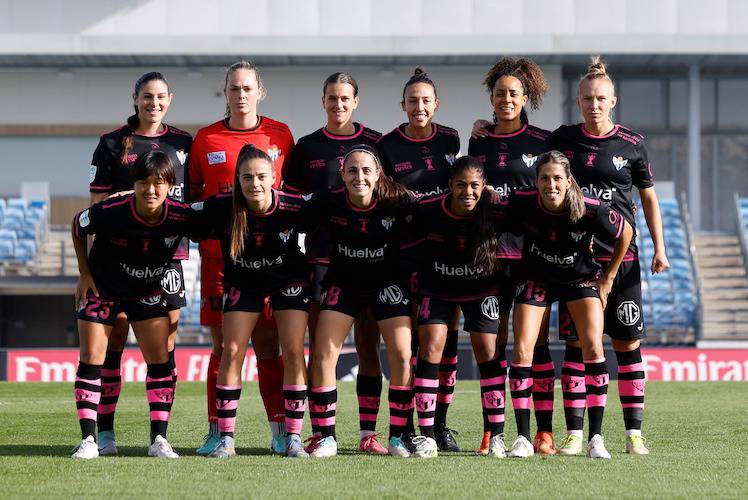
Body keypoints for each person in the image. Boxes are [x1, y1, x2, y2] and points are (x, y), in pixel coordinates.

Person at [547, 57, 669, 456]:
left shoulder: (631, 144)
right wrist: (484, 127)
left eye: (601, 98)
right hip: (578, 261)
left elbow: (648, 197)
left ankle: (633, 434)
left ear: (612, 100)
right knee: (578, 346)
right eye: (587, 98)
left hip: (624, 259)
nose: (594, 104)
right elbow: (529, 158)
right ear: (577, 100)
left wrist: (659, 248)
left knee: (627, 344)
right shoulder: (563, 140)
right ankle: (575, 433)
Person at [189, 60, 295, 454]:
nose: (241, 95)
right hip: (220, 261)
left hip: (271, 262)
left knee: (269, 347)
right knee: (223, 348)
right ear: (226, 93)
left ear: (259, 92)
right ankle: (218, 431)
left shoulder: (281, 135)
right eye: (234, 88)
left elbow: (292, 195)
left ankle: (281, 430)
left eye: (247, 88)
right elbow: (196, 197)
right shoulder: (206, 140)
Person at [500, 151, 633, 459]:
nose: (551, 184)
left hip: (579, 280)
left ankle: (595, 439)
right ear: (536, 182)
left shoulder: (590, 208)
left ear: (569, 180)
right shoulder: (523, 202)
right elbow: (493, 219)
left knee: (594, 348)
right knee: (522, 349)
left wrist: (609, 278)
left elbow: (626, 232)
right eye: (544, 178)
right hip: (538, 279)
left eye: (557, 178)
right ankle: (522, 438)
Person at [87, 71, 192, 456]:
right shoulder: (113, 143)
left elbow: (188, 204)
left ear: (170, 99)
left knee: (163, 346)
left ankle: (159, 437)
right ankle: (105, 433)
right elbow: (96, 209)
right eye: (147, 96)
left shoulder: (183, 142)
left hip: (168, 258)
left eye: (161, 96)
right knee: (112, 341)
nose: (154, 103)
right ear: (135, 98)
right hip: (118, 261)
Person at [283, 73, 387, 454]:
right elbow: (292, 203)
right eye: (332, 98)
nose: (338, 104)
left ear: (355, 101)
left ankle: (367, 434)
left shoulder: (376, 144)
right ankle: (322, 432)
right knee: (322, 349)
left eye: (345, 98)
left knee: (367, 345)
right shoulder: (308, 146)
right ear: (323, 100)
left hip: (372, 263)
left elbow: (388, 196)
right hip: (322, 263)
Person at [71, 151, 198, 459]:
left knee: (160, 362)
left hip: (147, 290)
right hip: (104, 287)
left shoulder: (182, 214)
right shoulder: (112, 209)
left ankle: (159, 440)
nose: (150, 189)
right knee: (91, 358)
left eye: (158, 182)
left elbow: (215, 222)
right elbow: (78, 225)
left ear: (170, 185)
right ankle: (91, 441)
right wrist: (84, 273)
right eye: (143, 182)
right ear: (134, 184)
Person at [191, 145, 312, 458]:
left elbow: (332, 216)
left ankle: (294, 438)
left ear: (274, 177)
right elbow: (180, 219)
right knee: (231, 351)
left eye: (261, 176)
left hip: (288, 281)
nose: (255, 183)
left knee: (294, 350)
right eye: (247, 177)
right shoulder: (222, 206)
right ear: (237, 180)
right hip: (243, 282)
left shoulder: (294, 205)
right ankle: (226, 440)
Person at [305, 145, 419, 458]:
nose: (359, 177)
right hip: (345, 283)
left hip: (386, 284)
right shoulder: (328, 201)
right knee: (324, 352)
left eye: (366, 170)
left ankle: (396, 437)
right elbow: (289, 211)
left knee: (400, 352)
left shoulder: (397, 201)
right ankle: (326, 437)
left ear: (378, 174)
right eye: (352, 170)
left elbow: (436, 209)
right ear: (342, 174)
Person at [468, 57, 557, 455]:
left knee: (533, 345)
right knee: (490, 345)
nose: (506, 99)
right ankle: (493, 429)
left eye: (513, 93)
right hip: (486, 257)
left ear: (525, 98)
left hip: (530, 259)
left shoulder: (543, 142)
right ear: (492, 97)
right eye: (500, 93)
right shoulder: (479, 141)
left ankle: (543, 431)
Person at [376, 67, 463, 452]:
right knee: (410, 346)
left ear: (436, 104)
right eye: (413, 101)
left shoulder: (451, 138)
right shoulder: (387, 144)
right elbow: (382, 192)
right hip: (403, 255)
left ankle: (439, 425)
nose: (419, 107)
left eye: (426, 101)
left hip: (445, 253)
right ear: (403, 105)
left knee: (445, 343)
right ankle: (408, 426)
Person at [407, 156, 507, 458]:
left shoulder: (497, 210)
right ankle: (426, 436)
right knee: (430, 349)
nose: (468, 191)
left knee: (488, 353)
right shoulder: (428, 210)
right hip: (438, 287)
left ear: (484, 186)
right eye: (461, 185)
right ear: (449, 185)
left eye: (475, 185)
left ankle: (497, 436)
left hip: (482, 288)